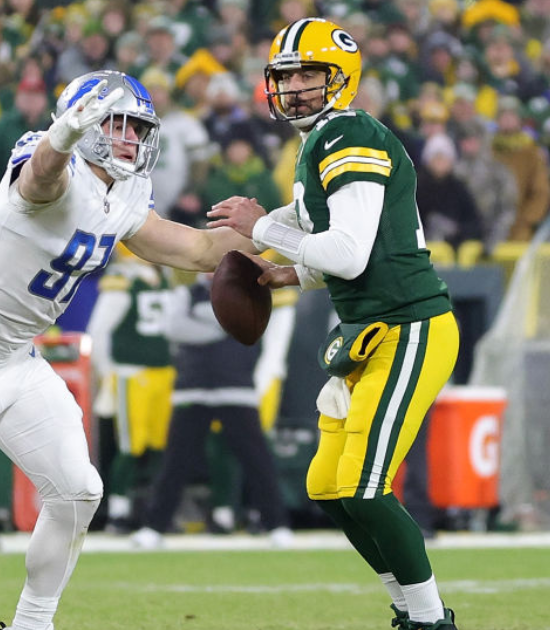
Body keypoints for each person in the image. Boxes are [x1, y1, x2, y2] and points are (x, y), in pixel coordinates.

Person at [0, 69, 254, 630]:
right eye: (121, 125)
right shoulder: (48, 159)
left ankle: (34, 621)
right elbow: (40, 183)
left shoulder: (125, 191)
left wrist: (291, 239)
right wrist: (60, 140)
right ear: (82, 124)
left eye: (139, 128)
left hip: (15, 359)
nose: (133, 139)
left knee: (80, 491)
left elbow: (203, 250)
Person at [207, 18, 461, 630]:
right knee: (328, 486)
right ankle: (408, 610)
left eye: (307, 74)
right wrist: (292, 272)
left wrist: (260, 226)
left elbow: (346, 252)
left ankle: (431, 621)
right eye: (285, 76)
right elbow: (356, 253)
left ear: (339, 79)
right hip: (370, 329)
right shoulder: (323, 139)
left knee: (366, 487)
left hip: (409, 326)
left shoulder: (349, 133)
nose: (293, 87)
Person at [130, 275, 290, 548]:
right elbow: (174, 328)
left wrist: (203, 319)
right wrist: (224, 325)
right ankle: (153, 529)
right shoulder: (187, 293)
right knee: (175, 462)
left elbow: (249, 324)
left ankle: (277, 526)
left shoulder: (248, 291)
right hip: (192, 387)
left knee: (258, 461)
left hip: (236, 386)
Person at [87, 254, 175, 532]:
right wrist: (108, 372)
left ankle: (156, 511)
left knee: (160, 445)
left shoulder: (166, 279)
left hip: (164, 373)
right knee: (129, 446)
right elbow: (98, 332)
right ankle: (118, 512)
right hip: (131, 373)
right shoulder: (123, 281)